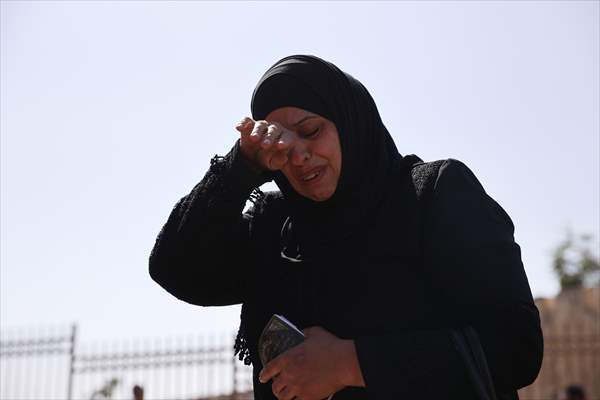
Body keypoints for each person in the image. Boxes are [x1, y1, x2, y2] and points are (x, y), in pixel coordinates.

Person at [149, 55, 543, 400]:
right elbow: (175, 267)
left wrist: (350, 364)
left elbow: (513, 347)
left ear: (348, 123)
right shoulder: (276, 228)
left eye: (311, 131)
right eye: (282, 144)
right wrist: (239, 167)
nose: (299, 155)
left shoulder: (432, 196)